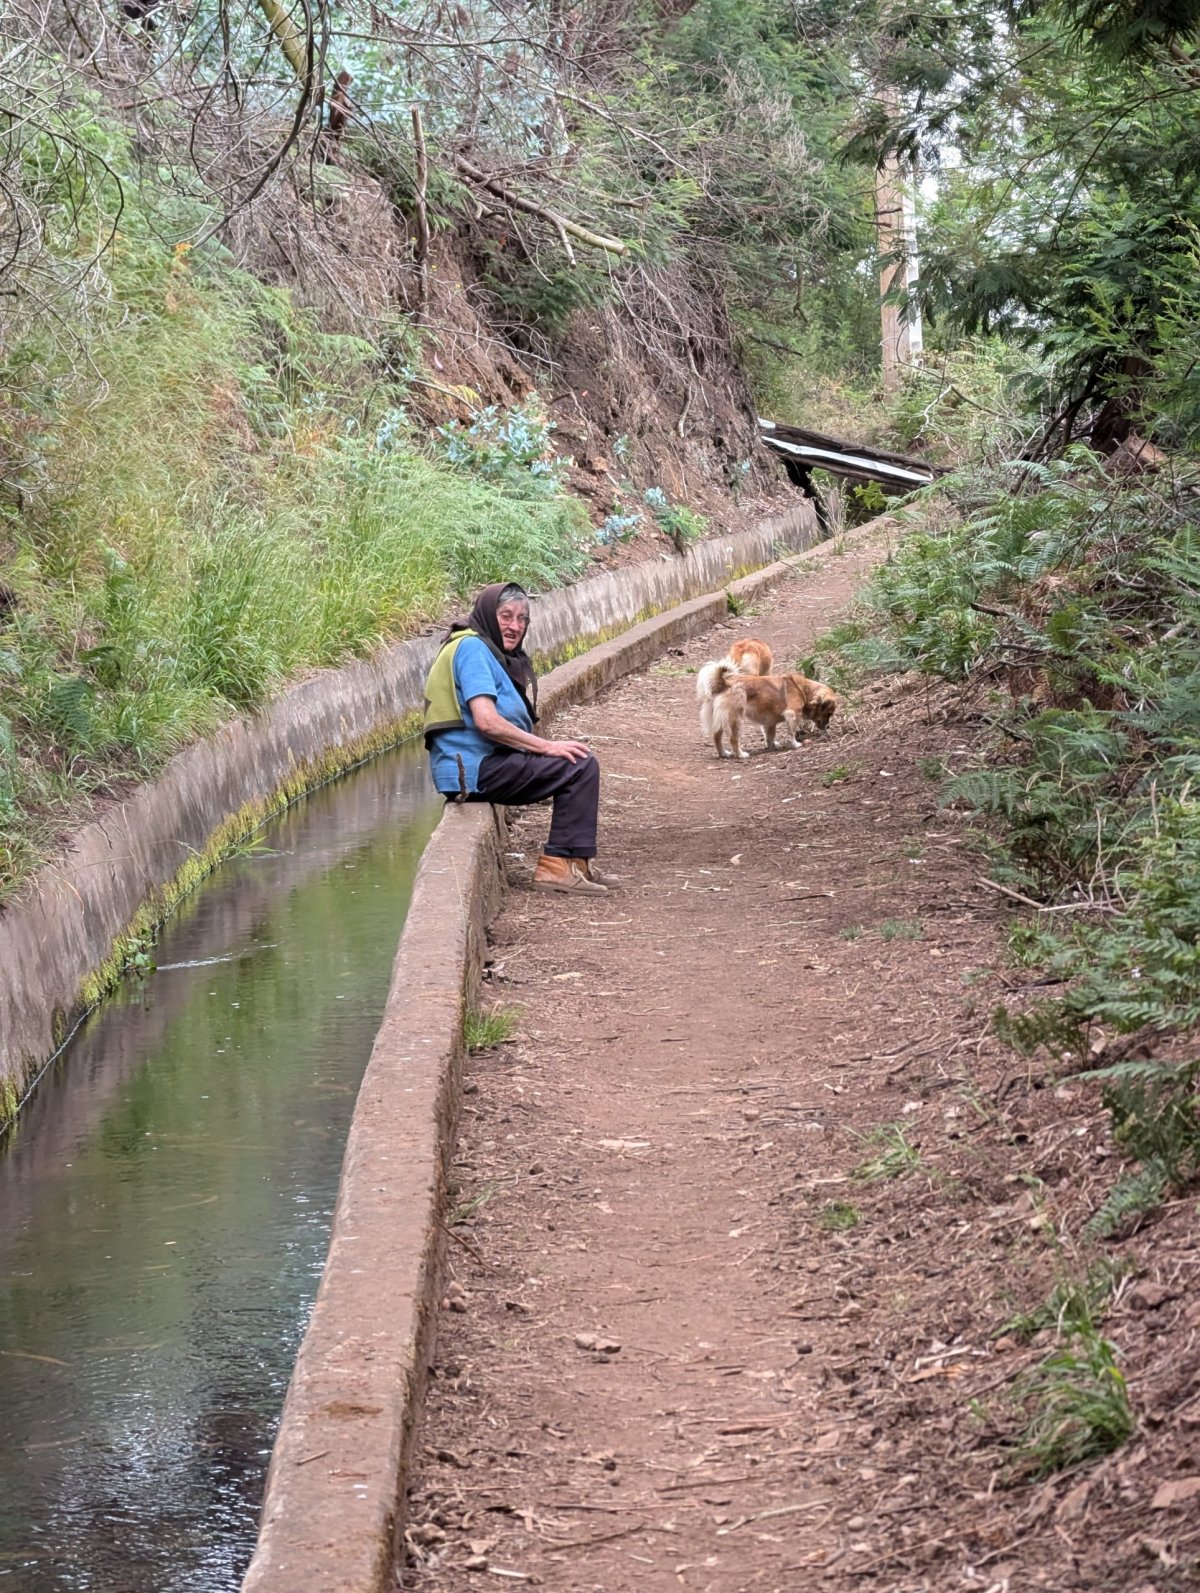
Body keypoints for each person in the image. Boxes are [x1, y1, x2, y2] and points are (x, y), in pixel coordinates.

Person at [423, 582, 616, 895]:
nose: (514, 626)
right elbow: (486, 721)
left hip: (482, 763)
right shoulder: (473, 649)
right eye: (506, 616)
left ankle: (576, 863)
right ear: (488, 615)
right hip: (472, 771)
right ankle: (557, 867)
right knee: (577, 766)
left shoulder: (487, 649)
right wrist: (546, 746)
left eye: (522, 619)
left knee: (579, 760)